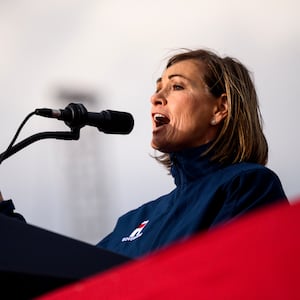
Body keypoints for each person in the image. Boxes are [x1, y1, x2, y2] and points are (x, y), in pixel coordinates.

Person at [0, 48, 288, 259]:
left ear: (220, 108)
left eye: (177, 86)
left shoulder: (246, 185)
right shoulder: (132, 221)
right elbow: (70, 277)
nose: (155, 97)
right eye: (157, 88)